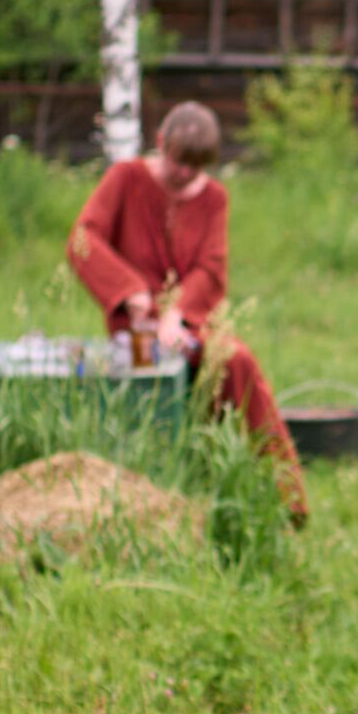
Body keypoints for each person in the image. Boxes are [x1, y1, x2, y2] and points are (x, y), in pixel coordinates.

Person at [67, 101, 307, 523]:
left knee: (236, 362)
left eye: (195, 169)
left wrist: (177, 314)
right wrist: (129, 291)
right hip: (135, 332)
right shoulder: (125, 179)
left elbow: (211, 268)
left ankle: (285, 495)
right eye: (178, 163)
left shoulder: (214, 198)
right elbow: (83, 239)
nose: (184, 175)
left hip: (189, 326)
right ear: (161, 143)